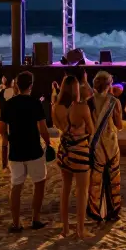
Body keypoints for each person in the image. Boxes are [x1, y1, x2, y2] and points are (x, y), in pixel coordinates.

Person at [0, 71, 50, 233]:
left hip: (16, 150)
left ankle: (16, 223)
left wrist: (5, 146)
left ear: (16, 85)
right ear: (31, 86)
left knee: (16, 187)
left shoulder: (8, 104)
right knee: (39, 183)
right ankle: (35, 219)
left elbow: (2, 130)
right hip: (34, 149)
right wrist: (48, 142)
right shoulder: (35, 103)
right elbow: (42, 128)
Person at [51, 75, 93, 239]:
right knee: (82, 192)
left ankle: (65, 228)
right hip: (80, 151)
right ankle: (80, 230)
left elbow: (58, 126)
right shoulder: (82, 108)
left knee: (65, 190)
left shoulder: (55, 107)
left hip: (64, 151)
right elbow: (91, 129)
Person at [87, 71, 124, 223]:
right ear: (109, 85)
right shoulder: (114, 102)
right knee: (113, 177)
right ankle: (112, 210)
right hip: (110, 143)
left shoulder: (88, 102)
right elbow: (119, 125)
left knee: (95, 178)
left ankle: (95, 210)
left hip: (95, 144)